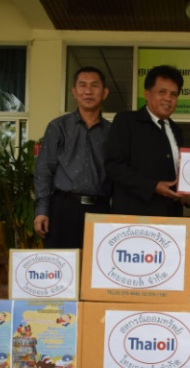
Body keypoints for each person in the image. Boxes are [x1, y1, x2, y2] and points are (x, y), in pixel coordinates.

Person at [33, 66, 111, 249]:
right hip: (63, 208)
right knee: (62, 264)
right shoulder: (58, 127)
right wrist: (42, 210)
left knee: (97, 263)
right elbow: (44, 169)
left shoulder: (112, 132)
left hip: (101, 210)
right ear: (74, 92)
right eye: (82, 85)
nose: (88, 91)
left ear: (104, 93)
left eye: (94, 85)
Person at [105, 65, 185, 217]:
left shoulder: (176, 130)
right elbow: (114, 166)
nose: (168, 98)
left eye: (173, 94)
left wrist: (189, 193)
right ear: (147, 94)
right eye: (162, 92)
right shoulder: (126, 122)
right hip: (135, 217)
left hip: (171, 218)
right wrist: (153, 186)